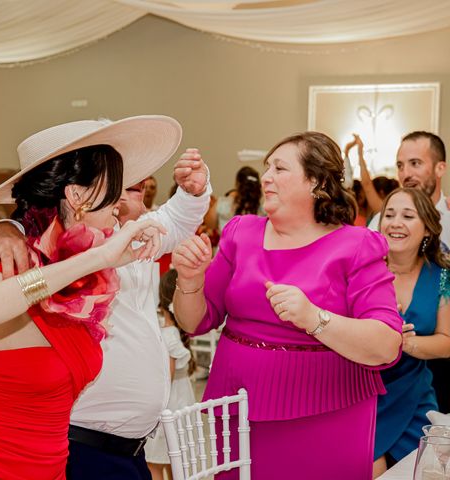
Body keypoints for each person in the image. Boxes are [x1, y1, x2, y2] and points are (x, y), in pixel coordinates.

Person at [0, 115, 177, 480]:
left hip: (48, 467)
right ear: (77, 196)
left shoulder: (84, 276)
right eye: (113, 188)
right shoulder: (13, 259)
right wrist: (99, 257)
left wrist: (99, 260)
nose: (119, 204)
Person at [172, 131, 402, 479]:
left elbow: (386, 343)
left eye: (280, 168)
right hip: (243, 406)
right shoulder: (240, 233)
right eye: (267, 168)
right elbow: (195, 322)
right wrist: (189, 281)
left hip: (329, 410)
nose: (266, 177)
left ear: (317, 182)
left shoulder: (356, 245)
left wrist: (315, 318)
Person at [373, 187, 450, 477]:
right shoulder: (364, 270)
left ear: (427, 228)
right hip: (366, 395)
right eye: (388, 215)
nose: (395, 222)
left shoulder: (441, 275)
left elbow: (446, 342)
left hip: (415, 395)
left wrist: (405, 343)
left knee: (424, 471)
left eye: (407, 216)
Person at [146, 269, 196, 480]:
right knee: (175, 462)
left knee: (155, 462)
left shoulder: (167, 336)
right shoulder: (175, 333)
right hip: (183, 399)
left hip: (168, 405)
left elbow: (166, 379)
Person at [206, 165, 263, 234]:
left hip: (225, 244)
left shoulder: (223, 203)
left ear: (237, 184)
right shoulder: (263, 210)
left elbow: (210, 224)